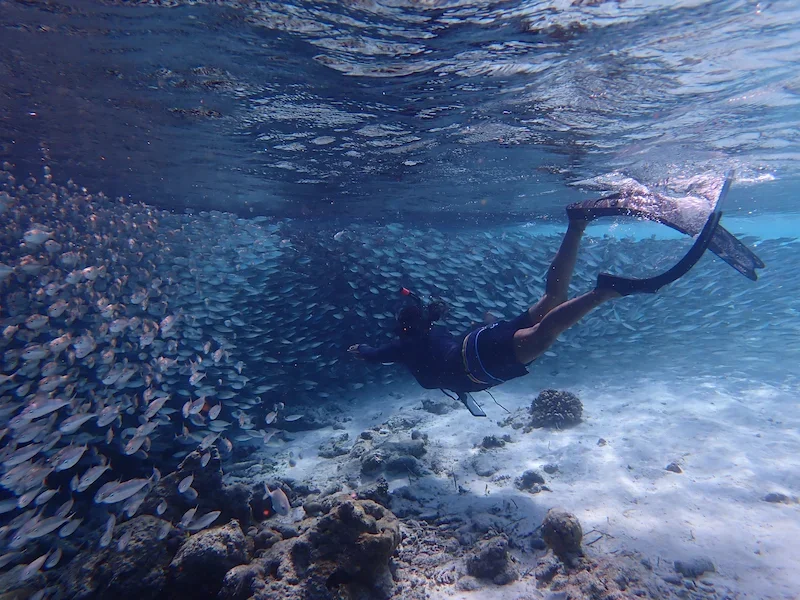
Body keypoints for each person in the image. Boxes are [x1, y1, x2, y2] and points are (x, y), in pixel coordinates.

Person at [348, 218, 628, 416]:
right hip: (479, 337)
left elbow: (372, 354)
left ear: (402, 329)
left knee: (543, 334)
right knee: (551, 299)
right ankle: (576, 224)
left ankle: (602, 293)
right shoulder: (433, 330)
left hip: (474, 364)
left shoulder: (403, 347)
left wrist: (359, 348)